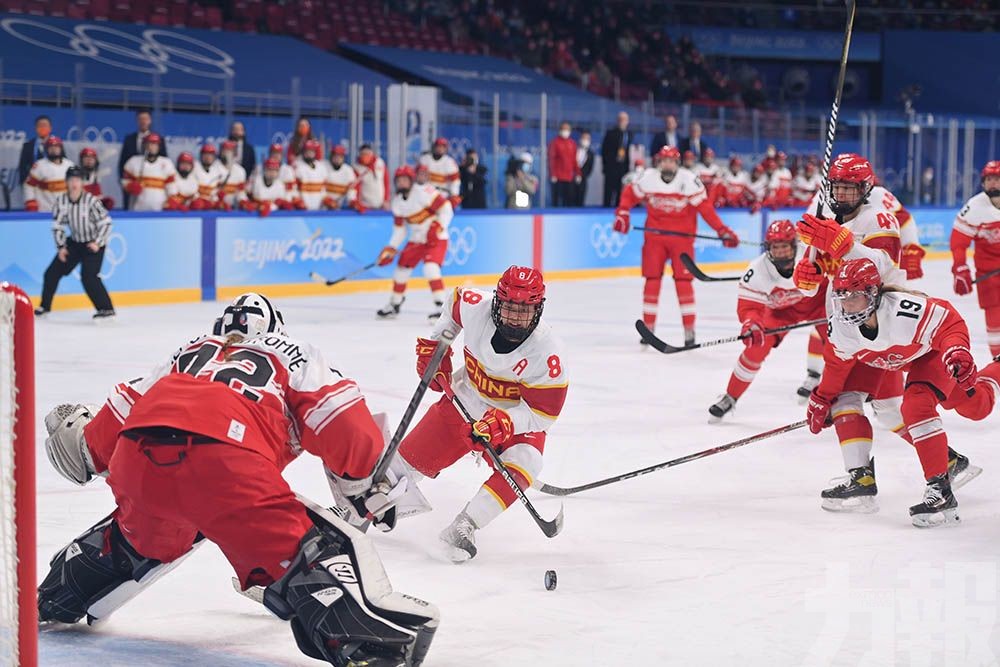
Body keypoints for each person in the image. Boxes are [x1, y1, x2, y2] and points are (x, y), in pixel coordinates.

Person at [36, 293, 440, 665]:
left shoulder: (188, 351)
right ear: (277, 328)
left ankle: (63, 590)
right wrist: (366, 484)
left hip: (138, 460)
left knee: (141, 535)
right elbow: (342, 422)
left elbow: (97, 443)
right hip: (225, 466)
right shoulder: (296, 354)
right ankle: (371, 645)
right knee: (304, 549)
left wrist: (83, 438)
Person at [808, 258, 998, 526]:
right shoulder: (841, 325)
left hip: (933, 354)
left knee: (933, 406)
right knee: (973, 407)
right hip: (907, 362)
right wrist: (821, 397)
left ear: (873, 294)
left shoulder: (903, 311)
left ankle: (940, 490)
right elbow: (836, 364)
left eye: (854, 296)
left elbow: (949, 322)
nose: (846, 305)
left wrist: (956, 349)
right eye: (841, 296)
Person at [398, 266, 568, 562]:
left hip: (515, 418)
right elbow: (451, 308)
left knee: (527, 461)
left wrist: (505, 422)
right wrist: (437, 346)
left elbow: (542, 416)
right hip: (466, 398)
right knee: (403, 468)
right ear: (496, 302)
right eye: (510, 307)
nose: (515, 316)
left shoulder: (548, 355)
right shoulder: (473, 304)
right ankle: (361, 505)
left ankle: (465, 524)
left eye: (524, 310)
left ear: (538, 309)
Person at [613, 146, 739, 345]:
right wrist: (623, 213)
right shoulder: (647, 178)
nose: (667, 164)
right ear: (659, 162)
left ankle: (689, 331)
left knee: (683, 282)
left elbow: (705, 209)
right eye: (664, 160)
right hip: (654, 238)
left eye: (671, 161)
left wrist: (722, 230)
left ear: (677, 163)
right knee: (652, 280)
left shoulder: (689, 180)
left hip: (682, 240)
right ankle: (649, 329)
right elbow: (629, 194)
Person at [708, 220, 826, 420]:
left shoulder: (812, 253)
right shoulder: (758, 270)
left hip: (818, 304)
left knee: (840, 344)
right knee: (755, 347)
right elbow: (749, 307)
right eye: (775, 247)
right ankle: (730, 396)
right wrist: (751, 323)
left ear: (794, 245)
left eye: (784, 247)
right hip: (781, 313)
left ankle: (859, 392)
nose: (780, 252)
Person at [35, 166, 115, 319]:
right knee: (52, 273)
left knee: (89, 277)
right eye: (71, 180)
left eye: (77, 180)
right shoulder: (62, 201)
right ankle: (45, 306)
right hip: (76, 242)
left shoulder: (91, 201)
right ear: (66, 182)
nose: (74, 183)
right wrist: (61, 247)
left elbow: (106, 223)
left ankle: (106, 309)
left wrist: (97, 242)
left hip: (93, 243)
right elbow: (58, 225)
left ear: (82, 183)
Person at [375, 166, 454, 320]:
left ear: (411, 181)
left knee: (430, 268)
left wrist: (438, 226)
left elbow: (446, 208)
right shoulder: (397, 203)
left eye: (405, 179)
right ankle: (395, 304)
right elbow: (400, 230)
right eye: (399, 180)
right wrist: (391, 248)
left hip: (436, 238)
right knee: (401, 270)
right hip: (417, 240)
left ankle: (441, 307)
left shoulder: (424, 192)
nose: (402, 183)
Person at [952, 161, 1000, 356]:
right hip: (988, 275)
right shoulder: (974, 207)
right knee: (995, 319)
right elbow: (958, 241)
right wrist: (959, 268)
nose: (993, 184)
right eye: (989, 180)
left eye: (997, 179)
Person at [118, 110, 168, 208]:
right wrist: (127, 186)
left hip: (155, 192)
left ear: (150, 121)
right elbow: (122, 163)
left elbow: (164, 162)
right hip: (135, 191)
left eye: (146, 119)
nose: (143, 121)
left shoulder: (159, 139)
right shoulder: (129, 139)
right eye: (140, 119)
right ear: (137, 121)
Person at [120, 134, 176, 212]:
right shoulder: (133, 161)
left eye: (155, 144)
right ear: (144, 146)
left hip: (160, 210)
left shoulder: (167, 163)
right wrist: (130, 186)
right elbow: (124, 182)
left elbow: (172, 186)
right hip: (138, 209)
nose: (152, 147)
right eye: (149, 143)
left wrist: (172, 200)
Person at [24, 136, 74, 212]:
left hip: (66, 210)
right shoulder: (39, 166)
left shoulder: (70, 165)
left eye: (56, 146)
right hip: (45, 210)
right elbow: (28, 186)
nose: (54, 149)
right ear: (46, 149)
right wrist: (30, 201)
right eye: (51, 147)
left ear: (61, 148)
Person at [601, 111, 633, 207]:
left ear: (628, 121)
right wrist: (605, 166)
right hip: (611, 167)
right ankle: (606, 209)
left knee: (621, 190)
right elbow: (604, 151)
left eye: (624, 119)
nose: (622, 121)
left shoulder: (629, 134)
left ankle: (619, 209)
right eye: (620, 119)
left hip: (622, 167)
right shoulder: (610, 133)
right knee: (609, 190)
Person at [419, 137, 461, 208]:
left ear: (446, 149)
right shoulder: (425, 159)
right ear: (434, 147)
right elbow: (418, 178)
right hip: (427, 191)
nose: (440, 149)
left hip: (443, 193)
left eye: (443, 147)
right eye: (438, 146)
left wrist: (454, 195)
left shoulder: (449, 162)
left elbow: (455, 181)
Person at [548, 121, 581, 207]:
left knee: (569, 200)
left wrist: (577, 173)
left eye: (567, 129)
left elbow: (574, 160)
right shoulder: (555, 143)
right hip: (558, 177)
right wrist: (553, 174)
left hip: (569, 177)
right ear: (560, 130)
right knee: (557, 200)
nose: (565, 131)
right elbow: (551, 159)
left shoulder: (572, 143)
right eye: (563, 129)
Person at [292, 139, 328, 211]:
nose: (309, 153)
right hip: (301, 210)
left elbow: (324, 189)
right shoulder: (296, 166)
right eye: (307, 151)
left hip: (319, 210)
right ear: (303, 152)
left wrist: (326, 200)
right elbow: (293, 188)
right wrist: (297, 201)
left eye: (311, 151)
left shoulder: (321, 167)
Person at [354, 144, 390, 210]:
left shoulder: (380, 162)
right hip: (365, 206)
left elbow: (386, 182)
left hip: (381, 205)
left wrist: (386, 200)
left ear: (372, 154)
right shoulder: (357, 168)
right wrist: (357, 203)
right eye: (363, 154)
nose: (365, 156)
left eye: (367, 154)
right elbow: (356, 187)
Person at [18, 114, 52, 184]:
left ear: (50, 128)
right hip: (34, 185)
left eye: (45, 125)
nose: (42, 128)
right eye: (40, 126)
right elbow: (22, 167)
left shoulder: (57, 145)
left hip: (52, 184)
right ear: (35, 128)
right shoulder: (27, 146)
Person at [323, 144, 358, 210]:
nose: (337, 159)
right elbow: (320, 188)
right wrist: (327, 200)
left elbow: (351, 190)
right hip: (322, 208)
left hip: (338, 207)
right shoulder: (323, 167)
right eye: (335, 156)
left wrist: (352, 201)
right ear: (331, 156)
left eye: (340, 156)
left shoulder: (348, 170)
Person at [192, 144, 226, 210]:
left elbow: (215, 192)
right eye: (205, 154)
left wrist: (217, 201)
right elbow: (191, 191)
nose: (208, 157)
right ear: (201, 156)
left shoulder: (217, 170)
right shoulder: (194, 167)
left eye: (210, 155)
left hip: (210, 205)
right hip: (196, 205)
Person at [217, 140, 248, 210]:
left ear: (234, 153)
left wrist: (243, 202)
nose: (227, 153)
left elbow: (241, 192)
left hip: (234, 205)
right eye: (225, 151)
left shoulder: (240, 171)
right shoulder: (214, 168)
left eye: (230, 151)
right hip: (217, 204)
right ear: (221, 152)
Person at [576, 131, 595, 206]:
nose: (585, 140)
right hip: (571, 179)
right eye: (584, 138)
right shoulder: (574, 150)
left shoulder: (591, 153)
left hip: (583, 180)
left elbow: (590, 168)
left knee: (581, 199)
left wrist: (581, 175)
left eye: (587, 138)